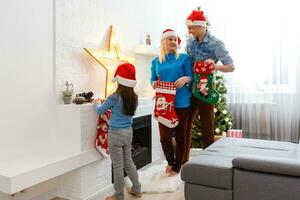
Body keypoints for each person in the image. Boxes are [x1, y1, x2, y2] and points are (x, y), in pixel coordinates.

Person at [183, 9, 235, 164]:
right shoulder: (190, 42)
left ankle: (208, 163)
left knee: (207, 128)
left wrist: (214, 66)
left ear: (201, 26)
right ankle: (184, 160)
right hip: (188, 90)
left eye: (191, 28)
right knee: (185, 127)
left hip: (205, 91)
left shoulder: (216, 43)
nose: (189, 31)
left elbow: (231, 66)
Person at [95, 63, 141, 200]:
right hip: (128, 132)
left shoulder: (114, 97)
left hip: (115, 134)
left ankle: (119, 195)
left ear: (119, 80)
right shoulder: (134, 97)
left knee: (118, 165)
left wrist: (97, 102)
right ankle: (137, 188)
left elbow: (99, 111)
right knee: (129, 161)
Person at [150, 29, 193, 176]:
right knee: (164, 137)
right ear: (163, 42)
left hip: (182, 102)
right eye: (170, 39)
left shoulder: (183, 58)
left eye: (175, 39)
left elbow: (191, 75)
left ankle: (177, 166)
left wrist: (186, 79)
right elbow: (152, 79)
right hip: (163, 104)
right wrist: (154, 84)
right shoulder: (156, 61)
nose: (174, 42)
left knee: (181, 136)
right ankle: (169, 161)